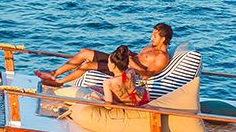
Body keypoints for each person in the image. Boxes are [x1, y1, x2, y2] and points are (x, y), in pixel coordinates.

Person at [37, 23, 173, 88]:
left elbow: (145, 75)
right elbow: (140, 58)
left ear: (163, 38)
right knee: (84, 52)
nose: (151, 38)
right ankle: (53, 73)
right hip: (122, 60)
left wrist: (130, 61)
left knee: (87, 65)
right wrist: (129, 54)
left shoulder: (162, 57)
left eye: (155, 36)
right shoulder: (152, 47)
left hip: (123, 69)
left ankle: (59, 82)